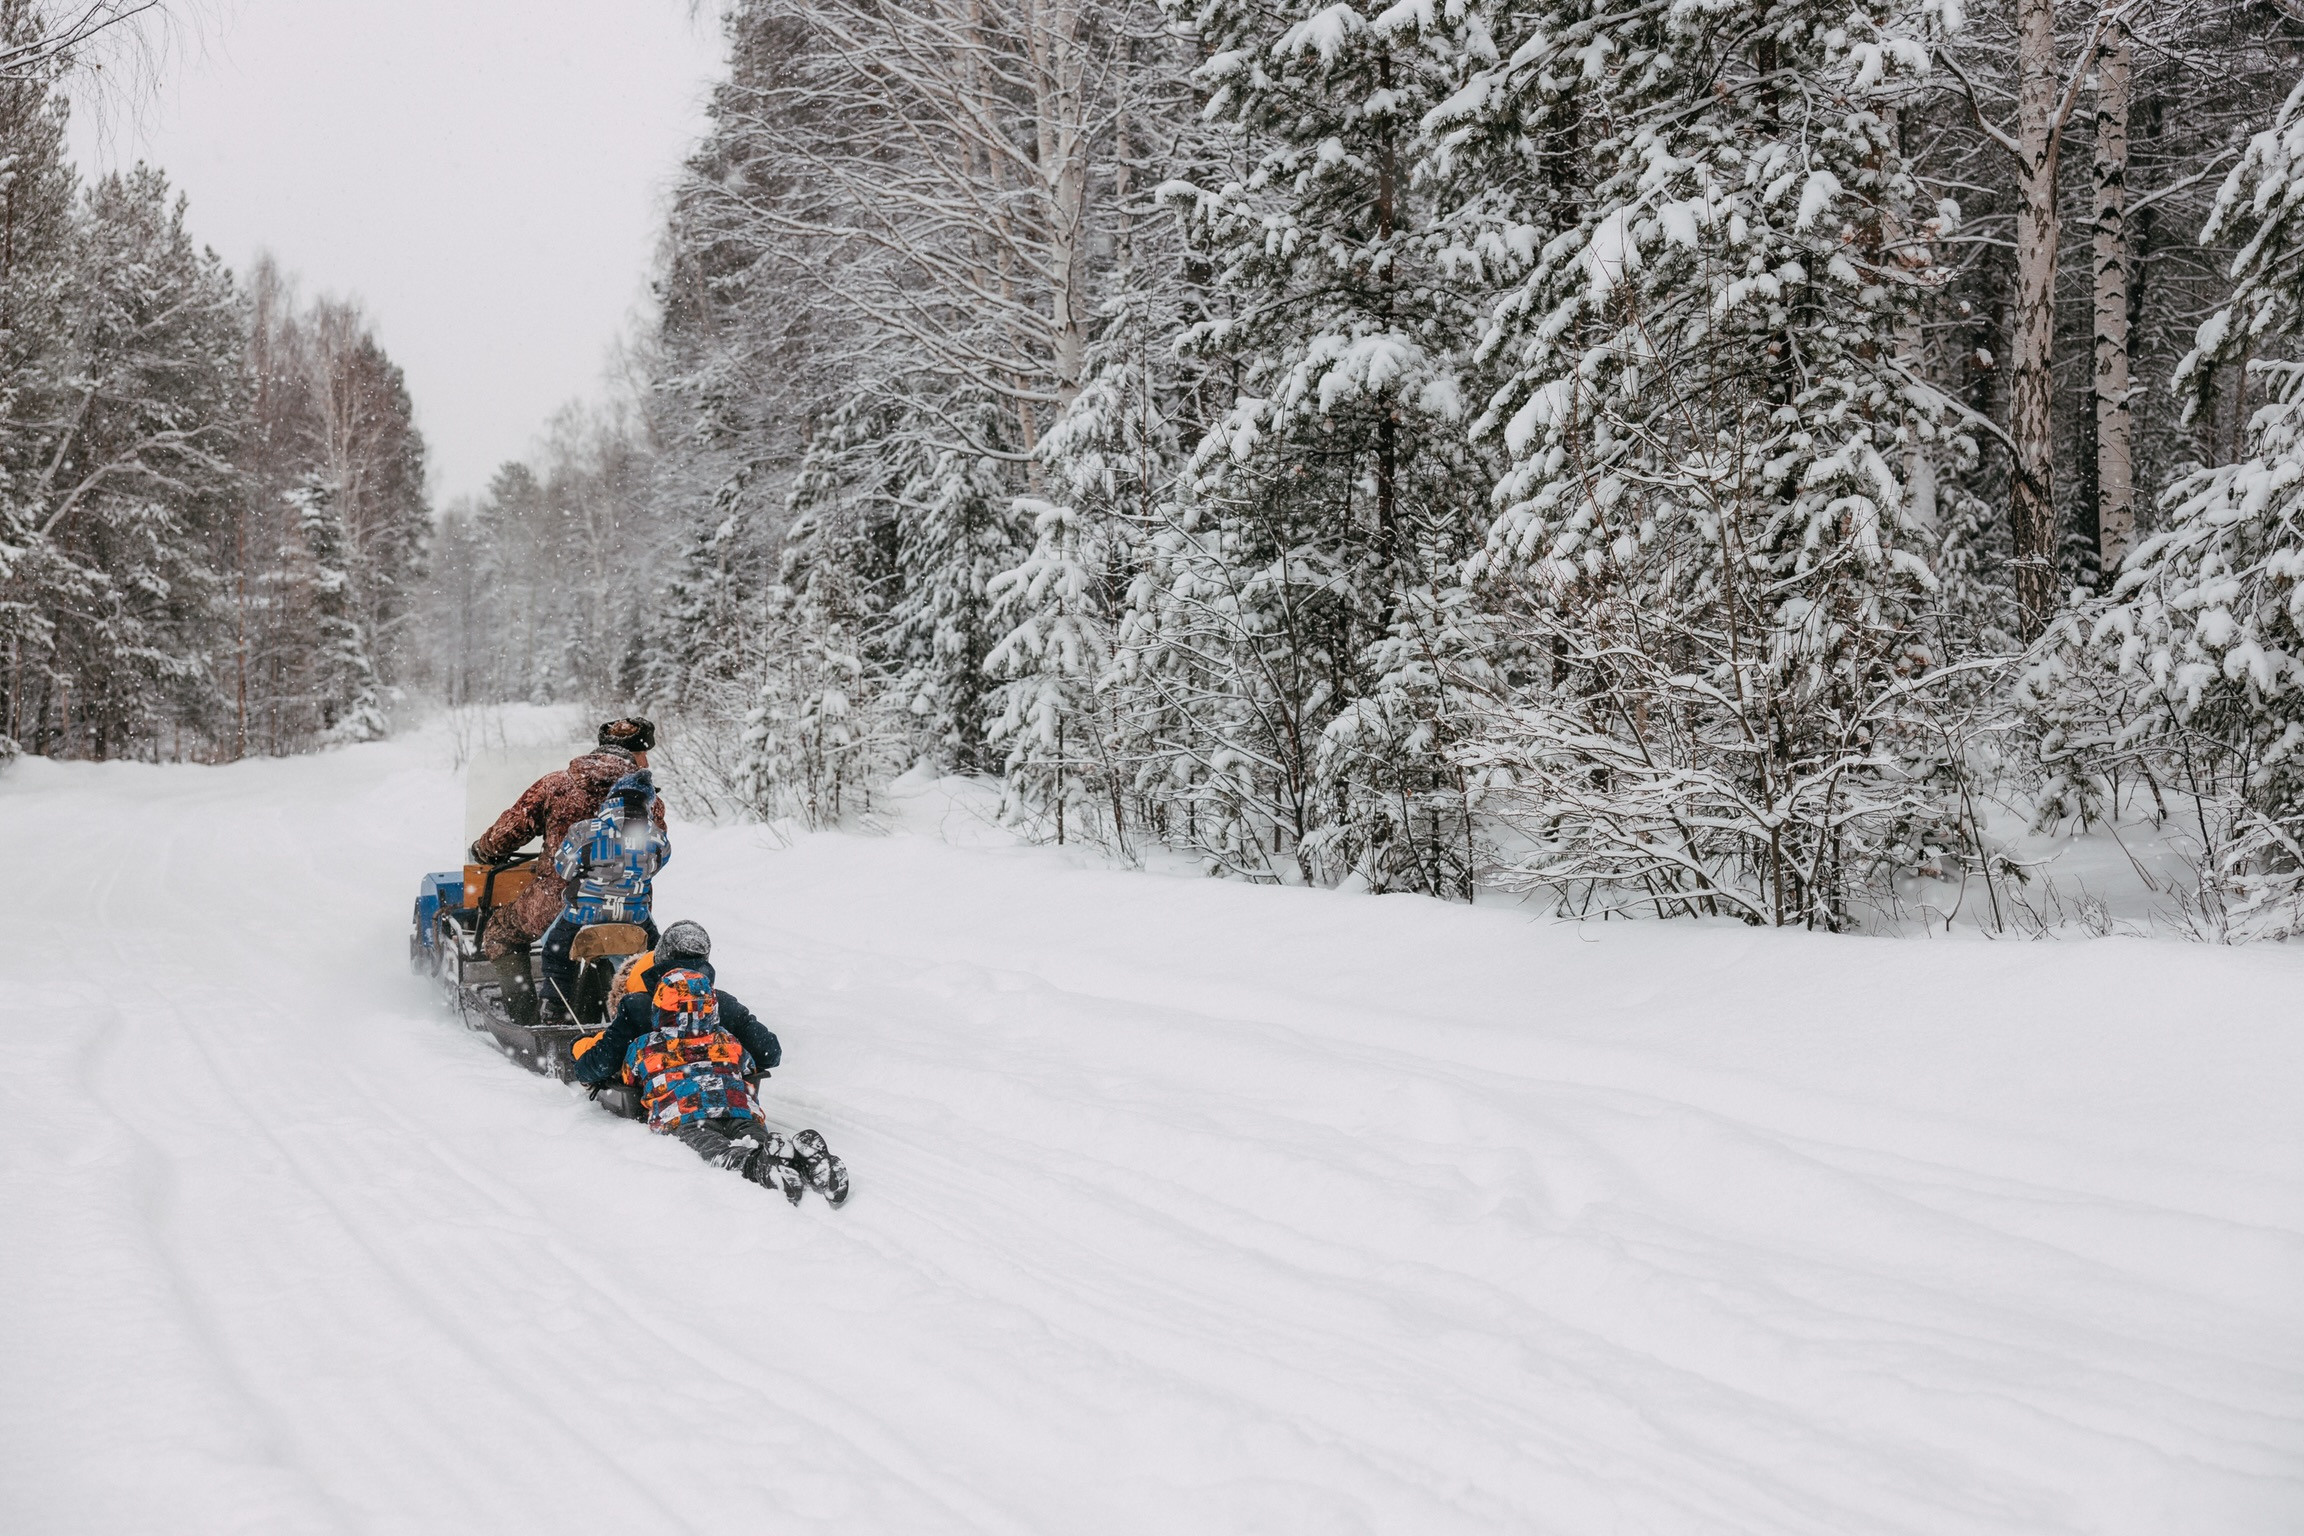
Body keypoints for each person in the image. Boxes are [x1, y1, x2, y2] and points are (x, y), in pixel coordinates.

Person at [573, 920, 843, 1203]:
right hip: (736, 1104)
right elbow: (768, 1055)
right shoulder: (719, 1006)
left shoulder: (639, 1008)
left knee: (711, 1148)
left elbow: (599, 1066)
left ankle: (757, 1165)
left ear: (660, 956)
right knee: (753, 1135)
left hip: (678, 1109)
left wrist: (579, 1051)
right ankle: (802, 1161)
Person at [470, 717, 666, 1028]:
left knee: (501, 932)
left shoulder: (556, 785)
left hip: (556, 902)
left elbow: (508, 832)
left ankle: (525, 1019)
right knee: (633, 947)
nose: (647, 761)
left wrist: (484, 850)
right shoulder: (647, 802)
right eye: (646, 753)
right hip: (626, 908)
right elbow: (655, 855)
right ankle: (629, 1010)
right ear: (637, 755)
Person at [536, 770, 671, 1023]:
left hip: (582, 916)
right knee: (655, 958)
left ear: (612, 799)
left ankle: (554, 1005)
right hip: (633, 918)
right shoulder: (656, 837)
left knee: (554, 950)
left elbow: (563, 869)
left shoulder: (584, 830)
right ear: (647, 803)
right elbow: (655, 868)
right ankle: (654, 1004)